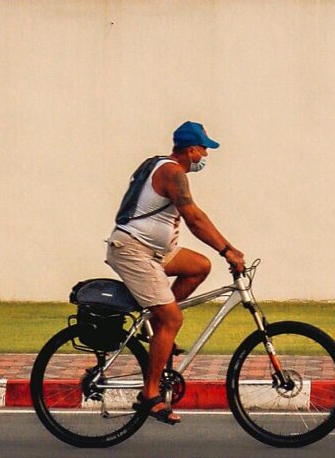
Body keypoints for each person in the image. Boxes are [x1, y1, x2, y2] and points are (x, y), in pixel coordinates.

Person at [105, 121, 245, 427]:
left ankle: (156, 326)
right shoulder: (173, 172)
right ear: (191, 150)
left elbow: (193, 216)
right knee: (173, 318)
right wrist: (228, 250)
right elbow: (194, 218)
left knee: (199, 267)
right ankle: (150, 396)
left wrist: (224, 250)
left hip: (153, 251)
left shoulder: (160, 165)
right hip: (133, 251)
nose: (206, 154)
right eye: (204, 148)